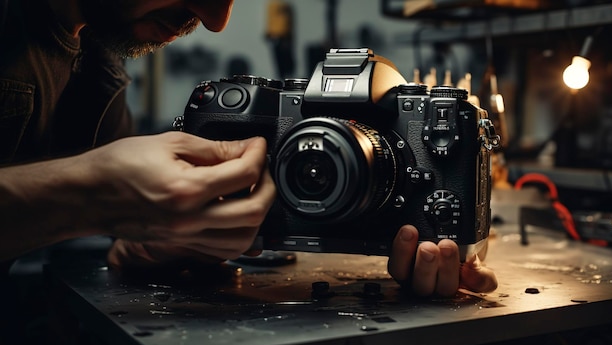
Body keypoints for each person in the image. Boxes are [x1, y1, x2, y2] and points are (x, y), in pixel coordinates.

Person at [0, 0, 496, 300]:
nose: (216, 19)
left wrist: (137, 246)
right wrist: (88, 196)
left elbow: (49, 251)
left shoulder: (99, 69)